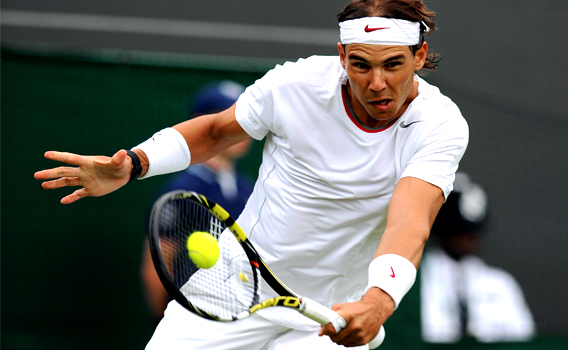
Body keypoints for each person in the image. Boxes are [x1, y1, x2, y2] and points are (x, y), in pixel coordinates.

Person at [34, 0, 469, 348]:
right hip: (233, 286)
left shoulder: (440, 125)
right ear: (341, 55)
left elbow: (410, 220)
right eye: (360, 65)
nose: (376, 83)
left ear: (420, 56)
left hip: (332, 310)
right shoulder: (293, 86)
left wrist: (378, 301)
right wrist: (134, 164)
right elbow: (214, 131)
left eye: (392, 64)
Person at [140, 81, 254, 323]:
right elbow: (155, 270)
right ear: (202, 124)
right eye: (230, 117)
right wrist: (167, 326)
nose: (242, 127)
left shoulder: (249, 189)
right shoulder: (180, 191)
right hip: (192, 321)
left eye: (246, 116)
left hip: (241, 319)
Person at [420, 173, 536, 343]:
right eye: (458, 232)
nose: (467, 241)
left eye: (473, 234)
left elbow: (524, 339)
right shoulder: (415, 281)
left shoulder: (500, 284)